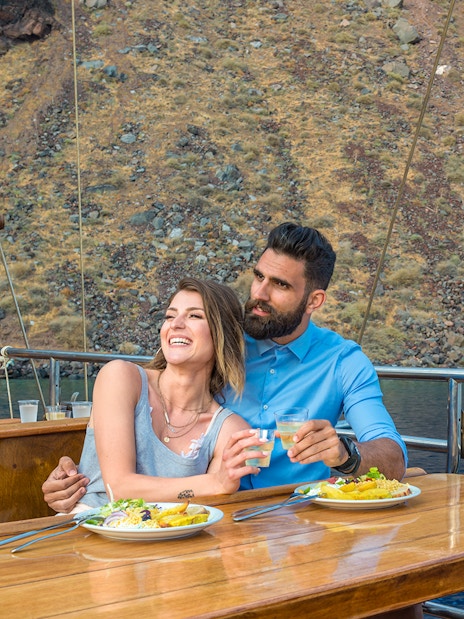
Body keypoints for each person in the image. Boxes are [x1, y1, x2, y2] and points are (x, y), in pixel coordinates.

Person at [43, 222, 407, 503]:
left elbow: (392, 454)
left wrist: (346, 455)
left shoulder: (343, 362)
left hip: (293, 518)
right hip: (208, 516)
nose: (259, 294)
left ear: (314, 300)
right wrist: (83, 479)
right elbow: (155, 393)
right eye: (259, 277)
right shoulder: (217, 341)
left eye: (279, 285)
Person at [63, 276, 259, 511]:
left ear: (222, 334)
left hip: (171, 539)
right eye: (169, 316)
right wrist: (213, 482)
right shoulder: (121, 378)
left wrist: (217, 485)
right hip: (85, 530)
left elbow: (213, 507)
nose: (175, 324)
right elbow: (119, 489)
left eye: (194, 315)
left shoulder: (229, 429)